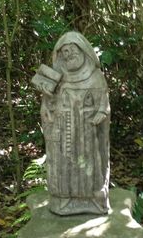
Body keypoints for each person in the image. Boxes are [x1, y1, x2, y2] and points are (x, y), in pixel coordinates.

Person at [35, 31, 110, 215]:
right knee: (63, 165)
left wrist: (101, 112)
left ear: (82, 49)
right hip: (63, 130)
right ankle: (63, 200)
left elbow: (103, 102)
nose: (69, 54)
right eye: (65, 51)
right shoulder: (57, 76)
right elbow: (48, 104)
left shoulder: (95, 76)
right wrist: (46, 102)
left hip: (86, 130)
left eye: (72, 49)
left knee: (89, 164)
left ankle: (93, 199)